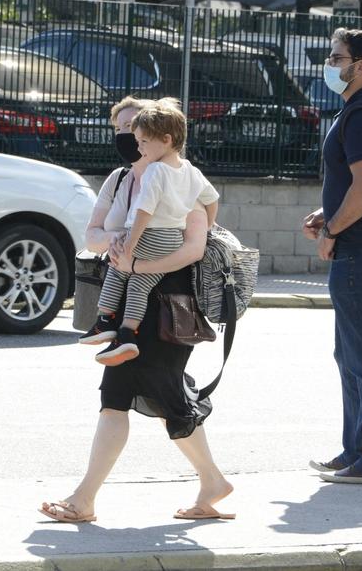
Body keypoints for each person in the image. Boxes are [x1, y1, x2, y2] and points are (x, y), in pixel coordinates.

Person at [38, 96, 234, 523]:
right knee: (121, 398)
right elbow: (93, 235)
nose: (129, 138)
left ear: (160, 136)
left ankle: (206, 482)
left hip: (167, 306)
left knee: (164, 398)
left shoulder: (181, 180)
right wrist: (115, 244)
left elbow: (194, 248)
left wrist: (136, 263)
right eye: (123, 130)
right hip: (129, 296)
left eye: (136, 129)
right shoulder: (123, 180)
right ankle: (90, 498)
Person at [302, 28, 362, 486]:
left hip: (360, 251)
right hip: (361, 246)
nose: (329, 64)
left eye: (335, 56)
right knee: (350, 355)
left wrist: (334, 230)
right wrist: (328, 213)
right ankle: (355, 450)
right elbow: (361, 186)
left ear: (360, 66)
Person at [79, 99, 220, 365]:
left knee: (119, 269)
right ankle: (126, 333)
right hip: (166, 243)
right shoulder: (187, 171)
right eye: (122, 130)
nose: (134, 142)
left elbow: (145, 213)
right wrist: (211, 222)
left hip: (166, 297)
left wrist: (130, 249)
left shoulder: (157, 170)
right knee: (137, 286)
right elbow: (213, 199)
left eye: (138, 135)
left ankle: (103, 321)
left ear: (164, 138)